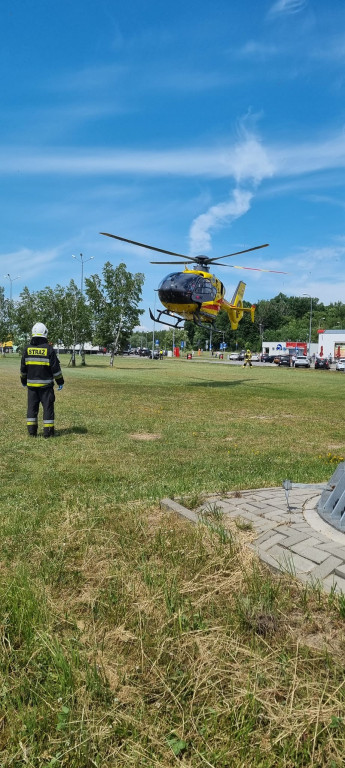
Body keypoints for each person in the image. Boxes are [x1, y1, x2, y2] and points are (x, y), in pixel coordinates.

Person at [20, 322, 64, 438]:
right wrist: (60, 382)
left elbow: (23, 369)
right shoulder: (49, 349)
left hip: (31, 387)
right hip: (46, 387)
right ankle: (48, 433)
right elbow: (56, 369)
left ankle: (32, 432)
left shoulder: (27, 349)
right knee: (48, 408)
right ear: (45, 334)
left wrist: (23, 381)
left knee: (32, 408)